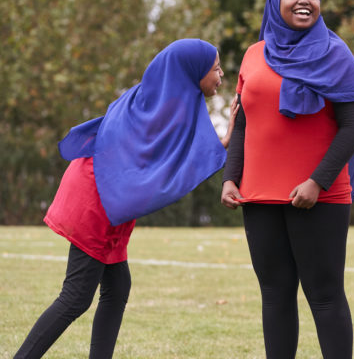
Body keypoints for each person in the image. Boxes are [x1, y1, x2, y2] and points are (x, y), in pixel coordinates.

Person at [14, 38, 238, 359]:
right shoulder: (162, 103)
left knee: (117, 289)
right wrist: (228, 139)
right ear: (193, 71)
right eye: (215, 69)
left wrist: (225, 139)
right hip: (99, 197)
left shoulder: (163, 97)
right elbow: (177, 159)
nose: (220, 76)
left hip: (110, 196)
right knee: (76, 297)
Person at [220, 0, 354, 359]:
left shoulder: (335, 53)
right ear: (275, 1)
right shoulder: (255, 55)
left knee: (324, 296)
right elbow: (242, 123)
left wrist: (317, 182)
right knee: (274, 295)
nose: (304, 1)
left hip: (317, 196)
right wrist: (229, 179)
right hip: (257, 196)